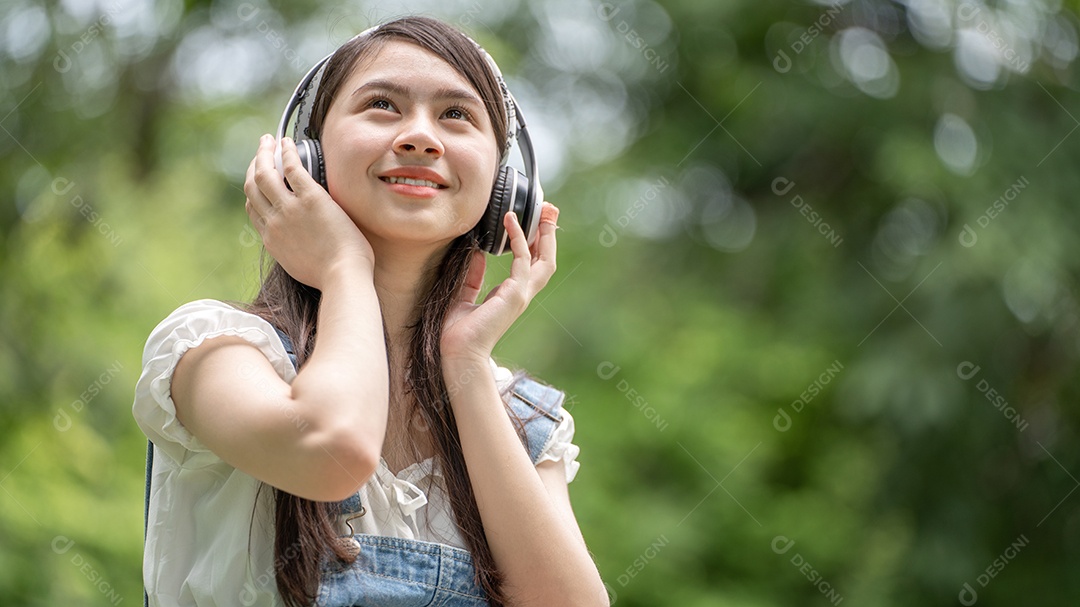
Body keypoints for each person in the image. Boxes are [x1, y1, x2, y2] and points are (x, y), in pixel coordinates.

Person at [132, 15, 608, 607]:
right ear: (309, 156)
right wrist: (343, 267)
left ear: (507, 184)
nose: (420, 138)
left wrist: (464, 367)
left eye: (456, 115)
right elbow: (332, 453)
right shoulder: (214, 348)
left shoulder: (521, 421)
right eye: (382, 104)